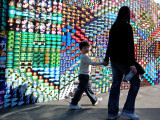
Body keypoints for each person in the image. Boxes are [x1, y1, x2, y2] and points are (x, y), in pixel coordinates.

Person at [103, 6, 140, 120]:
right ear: (127, 14)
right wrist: (132, 64)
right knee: (135, 82)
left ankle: (112, 112)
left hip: (114, 61)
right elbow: (129, 47)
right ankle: (128, 110)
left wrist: (106, 59)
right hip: (124, 62)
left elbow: (109, 45)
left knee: (115, 85)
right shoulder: (127, 27)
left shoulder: (114, 27)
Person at [70, 40, 107, 110]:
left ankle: (94, 100)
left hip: (85, 75)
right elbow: (92, 63)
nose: (87, 49)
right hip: (84, 76)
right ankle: (73, 103)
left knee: (88, 89)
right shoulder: (84, 57)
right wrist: (102, 63)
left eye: (88, 47)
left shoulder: (85, 56)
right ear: (81, 49)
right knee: (80, 90)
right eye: (84, 48)